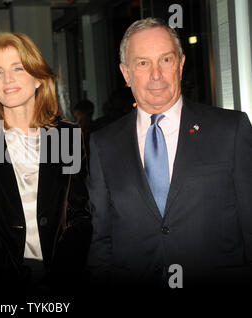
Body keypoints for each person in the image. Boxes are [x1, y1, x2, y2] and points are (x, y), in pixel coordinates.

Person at [87, 18, 252, 288]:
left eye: (165, 60)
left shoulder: (230, 130)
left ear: (181, 64)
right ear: (126, 73)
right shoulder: (103, 143)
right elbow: (100, 238)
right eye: (142, 63)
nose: (156, 75)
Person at [0, 32, 92, 294]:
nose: (7, 79)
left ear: (39, 77)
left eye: (17, 68)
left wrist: (57, 280)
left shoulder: (66, 136)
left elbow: (80, 217)